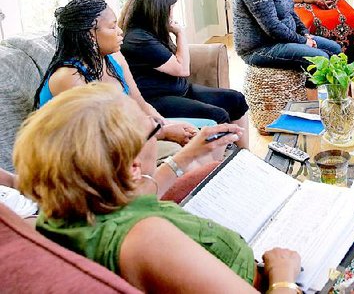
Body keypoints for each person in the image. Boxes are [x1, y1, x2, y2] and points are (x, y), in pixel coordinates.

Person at [14, 83, 302, 293]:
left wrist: (186, 156)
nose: (158, 125)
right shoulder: (146, 239)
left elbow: (126, 199)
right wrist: (282, 273)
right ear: (132, 168)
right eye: (153, 129)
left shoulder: (66, 211)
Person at [33, 0, 200, 146]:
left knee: (199, 138)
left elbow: (140, 105)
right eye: (112, 27)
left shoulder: (115, 57)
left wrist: (167, 124)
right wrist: (162, 132)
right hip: (78, 154)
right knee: (188, 151)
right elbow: (100, 136)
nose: (120, 32)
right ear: (90, 35)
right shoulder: (69, 77)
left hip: (120, 138)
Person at [120, 0, 249, 149]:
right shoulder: (138, 39)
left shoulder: (152, 31)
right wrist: (180, 33)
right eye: (170, 8)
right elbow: (182, 68)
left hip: (181, 90)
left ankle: (246, 155)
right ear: (157, 9)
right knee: (218, 115)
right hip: (158, 99)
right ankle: (224, 164)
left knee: (236, 99)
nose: (171, 14)